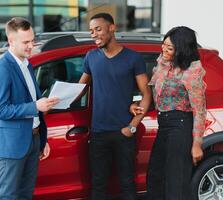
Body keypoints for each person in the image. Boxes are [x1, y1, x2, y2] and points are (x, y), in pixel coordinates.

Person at [79, 13, 152, 200]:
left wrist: (132, 126)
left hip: (123, 132)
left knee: (127, 184)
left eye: (98, 29)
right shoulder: (91, 57)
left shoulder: (133, 58)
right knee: (98, 186)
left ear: (112, 28)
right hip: (98, 134)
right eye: (91, 31)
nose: (94, 34)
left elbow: (146, 94)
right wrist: (50, 101)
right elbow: (79, 89)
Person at [131, 26, 206, 200]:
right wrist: (136, 105)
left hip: (180, 126)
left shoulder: (191, 72)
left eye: (170, 48)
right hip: (164, 126)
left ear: (182, 50)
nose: (164, 49)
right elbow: (157, 95)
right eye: (164, 45)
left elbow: (200, 111)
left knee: (176, 183)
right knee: (155, 177)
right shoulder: (163, 64)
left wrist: (196, 144)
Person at [0, 17, 59, 199]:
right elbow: (1, 110)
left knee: (25, 195)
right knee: (7, 196)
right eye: (26, 42)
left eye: (32, 40)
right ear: (11, 41)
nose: (31, 45)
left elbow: (30, 101)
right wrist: (35, 106)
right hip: (12, 144)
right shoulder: (2, 69)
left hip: (33, 139)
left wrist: (42, 137)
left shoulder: (27, 65)